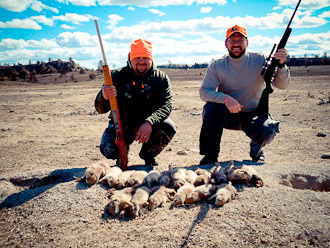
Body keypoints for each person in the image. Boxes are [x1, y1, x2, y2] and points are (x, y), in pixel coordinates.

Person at [199, 25, 290, 164]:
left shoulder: (260, 59)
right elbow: (204, 92)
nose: (236, 44)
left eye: (240, 40)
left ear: (247, 42)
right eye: (232, 40)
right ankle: (210, 156)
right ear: (226, 44)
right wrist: (226, 99)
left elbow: (282, 85)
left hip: (253, 114)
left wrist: (282, 65)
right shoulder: (217, 65)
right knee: (210, 108)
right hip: (228, 113)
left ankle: (257, 150)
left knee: (267, 130)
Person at [95, 39, 176, 167]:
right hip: (122, 124)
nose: (141, 61)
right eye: (137, 57)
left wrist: (150, 122)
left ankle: (148, 155)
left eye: (145, 57)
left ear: (151, 59)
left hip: (149, 126)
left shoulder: (161, 78)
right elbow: (100, 109)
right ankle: (121, 155)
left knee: (168, 126)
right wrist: (103, 96)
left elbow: (166, 105)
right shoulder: (116, 77)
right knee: (108, 149)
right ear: (130, 58)